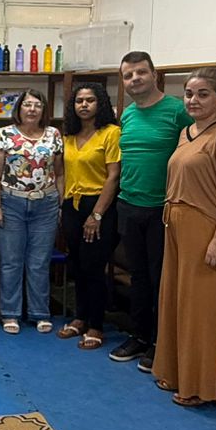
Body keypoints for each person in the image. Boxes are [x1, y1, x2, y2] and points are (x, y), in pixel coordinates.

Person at [155, 68, 216, 406]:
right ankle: (176, 372)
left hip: (209, 228)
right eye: (188, 94)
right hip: (177, 226)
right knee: (176, 302)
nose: (193, 100)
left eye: (203, 94)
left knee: (204, 311)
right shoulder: (187, 133)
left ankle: (201, 386)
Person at [110, 50, 190, 371]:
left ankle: (161, 342)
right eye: (128, 75)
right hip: (129, 205)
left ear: (154, 75)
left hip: (162, 209)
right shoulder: (128, 114)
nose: (135, 79)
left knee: (162, 279)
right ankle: (140, 336)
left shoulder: (178, 111)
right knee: (138, 277)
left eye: (141, 72)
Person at [0, 88, 64, 334]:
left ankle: (40, 313)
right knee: (11, 261)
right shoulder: (3, 134)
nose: (32, 109)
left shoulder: (54, 135)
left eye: (37, 105)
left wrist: (61, 204)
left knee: (39, 262)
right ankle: (10, 313)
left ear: (44, 110)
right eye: (27, 104)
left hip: (46, 204)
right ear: (19, 108)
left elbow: (59, 173)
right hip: (11, 203)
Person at [58, 81, 122, 351]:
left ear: (101, 103)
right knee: (78, 265)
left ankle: (96, 325)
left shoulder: (111, 133)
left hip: (98, 206)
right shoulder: (69, 136)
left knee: (94, 268)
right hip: (72, 204)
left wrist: (96, 215)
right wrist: (62, 204)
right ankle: (80, 317)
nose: (84, 105)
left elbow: (113, 176)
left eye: (90, 100)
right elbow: (63, 172)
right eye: (79, 101)